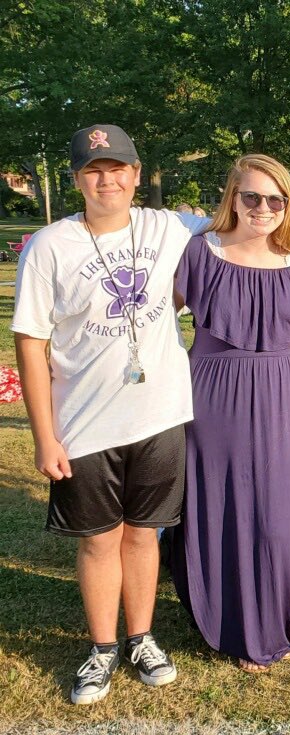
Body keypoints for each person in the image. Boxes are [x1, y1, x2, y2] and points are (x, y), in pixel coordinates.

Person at [11, 124, 210, 704]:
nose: (108, 179)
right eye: (94, 170)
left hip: (159, 414)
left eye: (118, 167)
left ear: (137, 173)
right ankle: (102, 648)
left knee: (144, 534)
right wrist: (44, 437)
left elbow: (245, 222)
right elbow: (30, 342)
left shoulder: (168, 226)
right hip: (84, 423)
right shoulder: (50, 245)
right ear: (77, 179)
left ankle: (141, 636)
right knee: (100, 540)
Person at [172, 154, 290, 673]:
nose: (262, 208)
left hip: (281, 394)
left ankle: (276, 618)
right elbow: (154, 314)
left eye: (275, 199)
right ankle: (229, 621)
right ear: (232, 198)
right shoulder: (198, 252)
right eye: (252, 197)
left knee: (279, 512)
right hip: (212, 395)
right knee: (223, 504)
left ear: (289, 204)